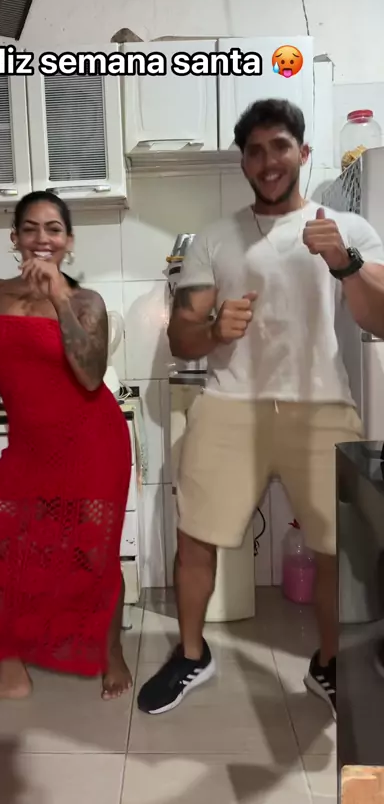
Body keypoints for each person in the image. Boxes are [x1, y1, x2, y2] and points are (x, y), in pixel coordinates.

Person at [137, 99, 384, 720]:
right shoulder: (214, 238)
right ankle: (192, 654)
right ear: (243, 161)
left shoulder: (347, 228)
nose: (268, 161)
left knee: (338, 551)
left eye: (280, 146)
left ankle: (329, 664)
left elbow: (380, 319)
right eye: (254, 150)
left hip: (322, 406)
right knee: (195, 539)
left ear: (303, 152)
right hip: (229, 405)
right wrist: (214, 328)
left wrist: (347, 264)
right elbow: (182, 339)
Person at [0, 191, 132, 716]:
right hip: (29, 448)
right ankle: (11, 674)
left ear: (69, 241)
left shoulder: (86, 302)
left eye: (53, 229)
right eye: (30, 228)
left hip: (92, 445)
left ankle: (111, 651)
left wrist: (58, 298)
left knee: (93, 556)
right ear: (15, 238)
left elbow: (90, 376)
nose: (42, 238)